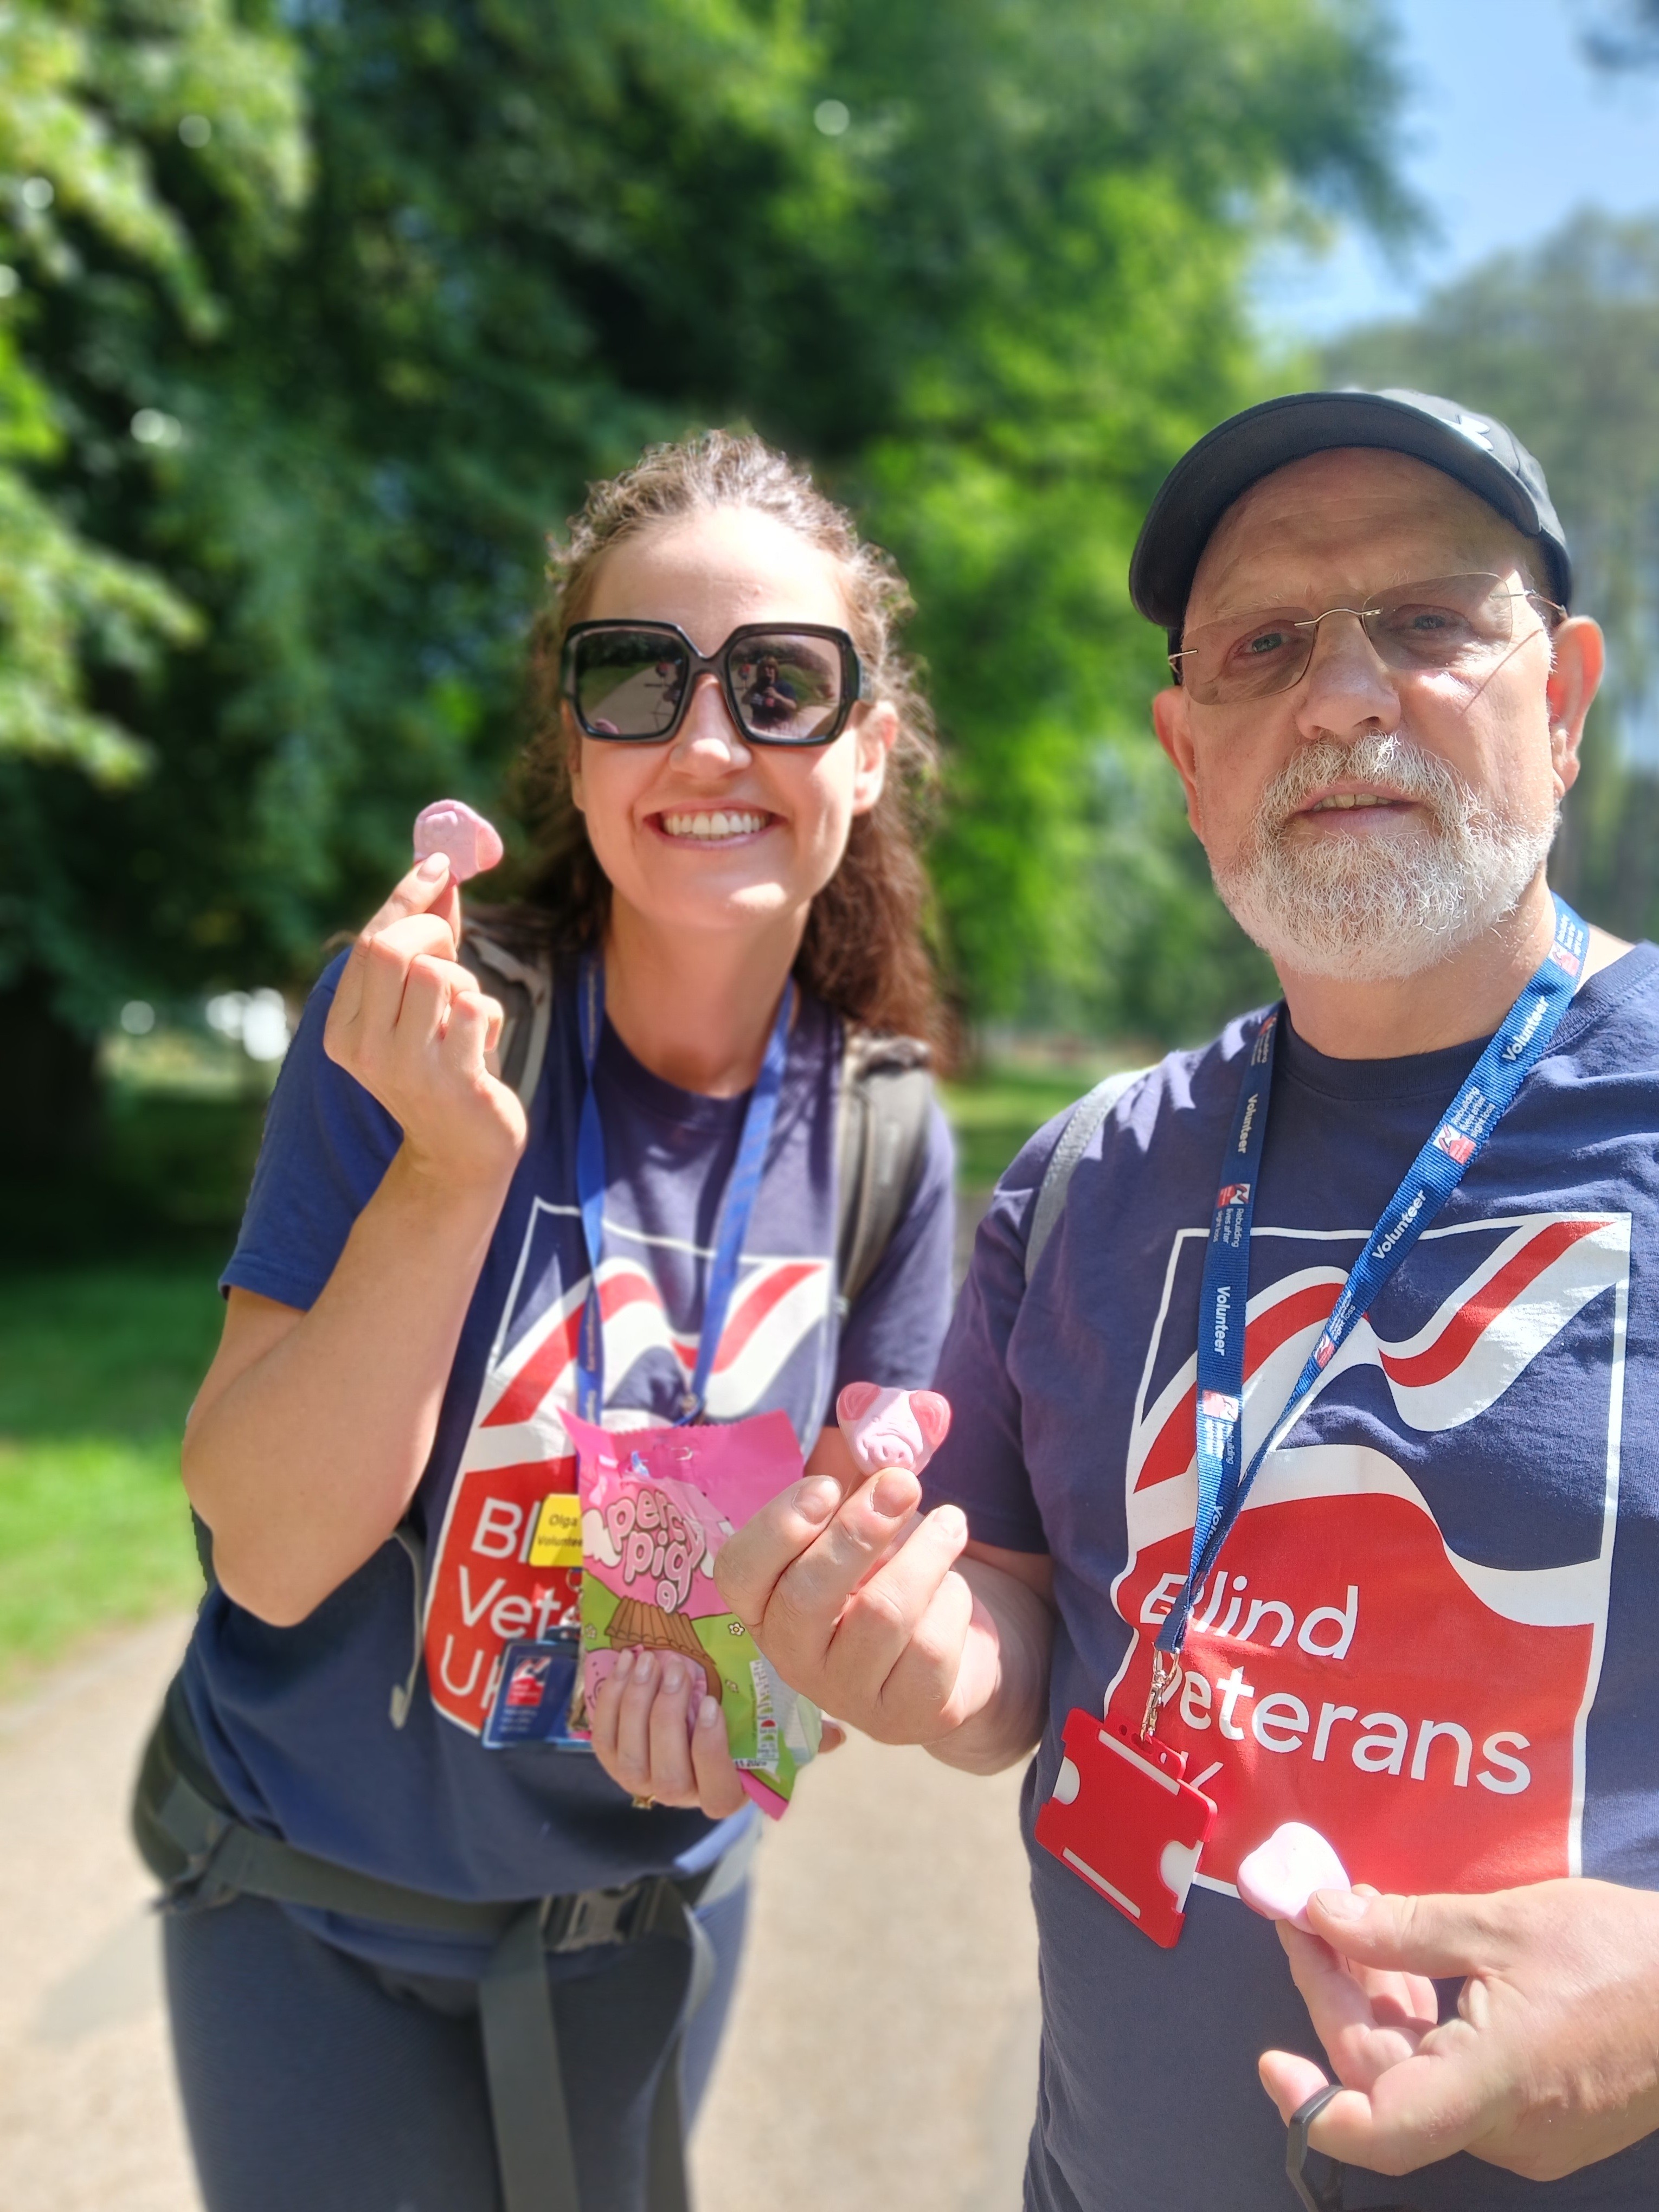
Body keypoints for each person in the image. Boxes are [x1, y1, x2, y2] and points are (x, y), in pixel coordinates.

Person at [718, 388, 1659, 2209]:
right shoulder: (1082, 1179)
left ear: (1559, 697)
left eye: (1430, 624)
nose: (1342, 695)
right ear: (1186, 751)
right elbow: (1012, 1638)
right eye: (1265, 646)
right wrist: (910, 1644)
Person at [133, 430, 956, 2212]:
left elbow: (841, 1572)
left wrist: (756, 1681)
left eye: (781, 685)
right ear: (574, 748)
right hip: (304, 1917)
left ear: (869, 750)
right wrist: (445, 1174)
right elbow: (266, 1556)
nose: (709, 739)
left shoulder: (889, 1131)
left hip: (647, 1923)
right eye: (636, 678)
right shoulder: (416, 1025)